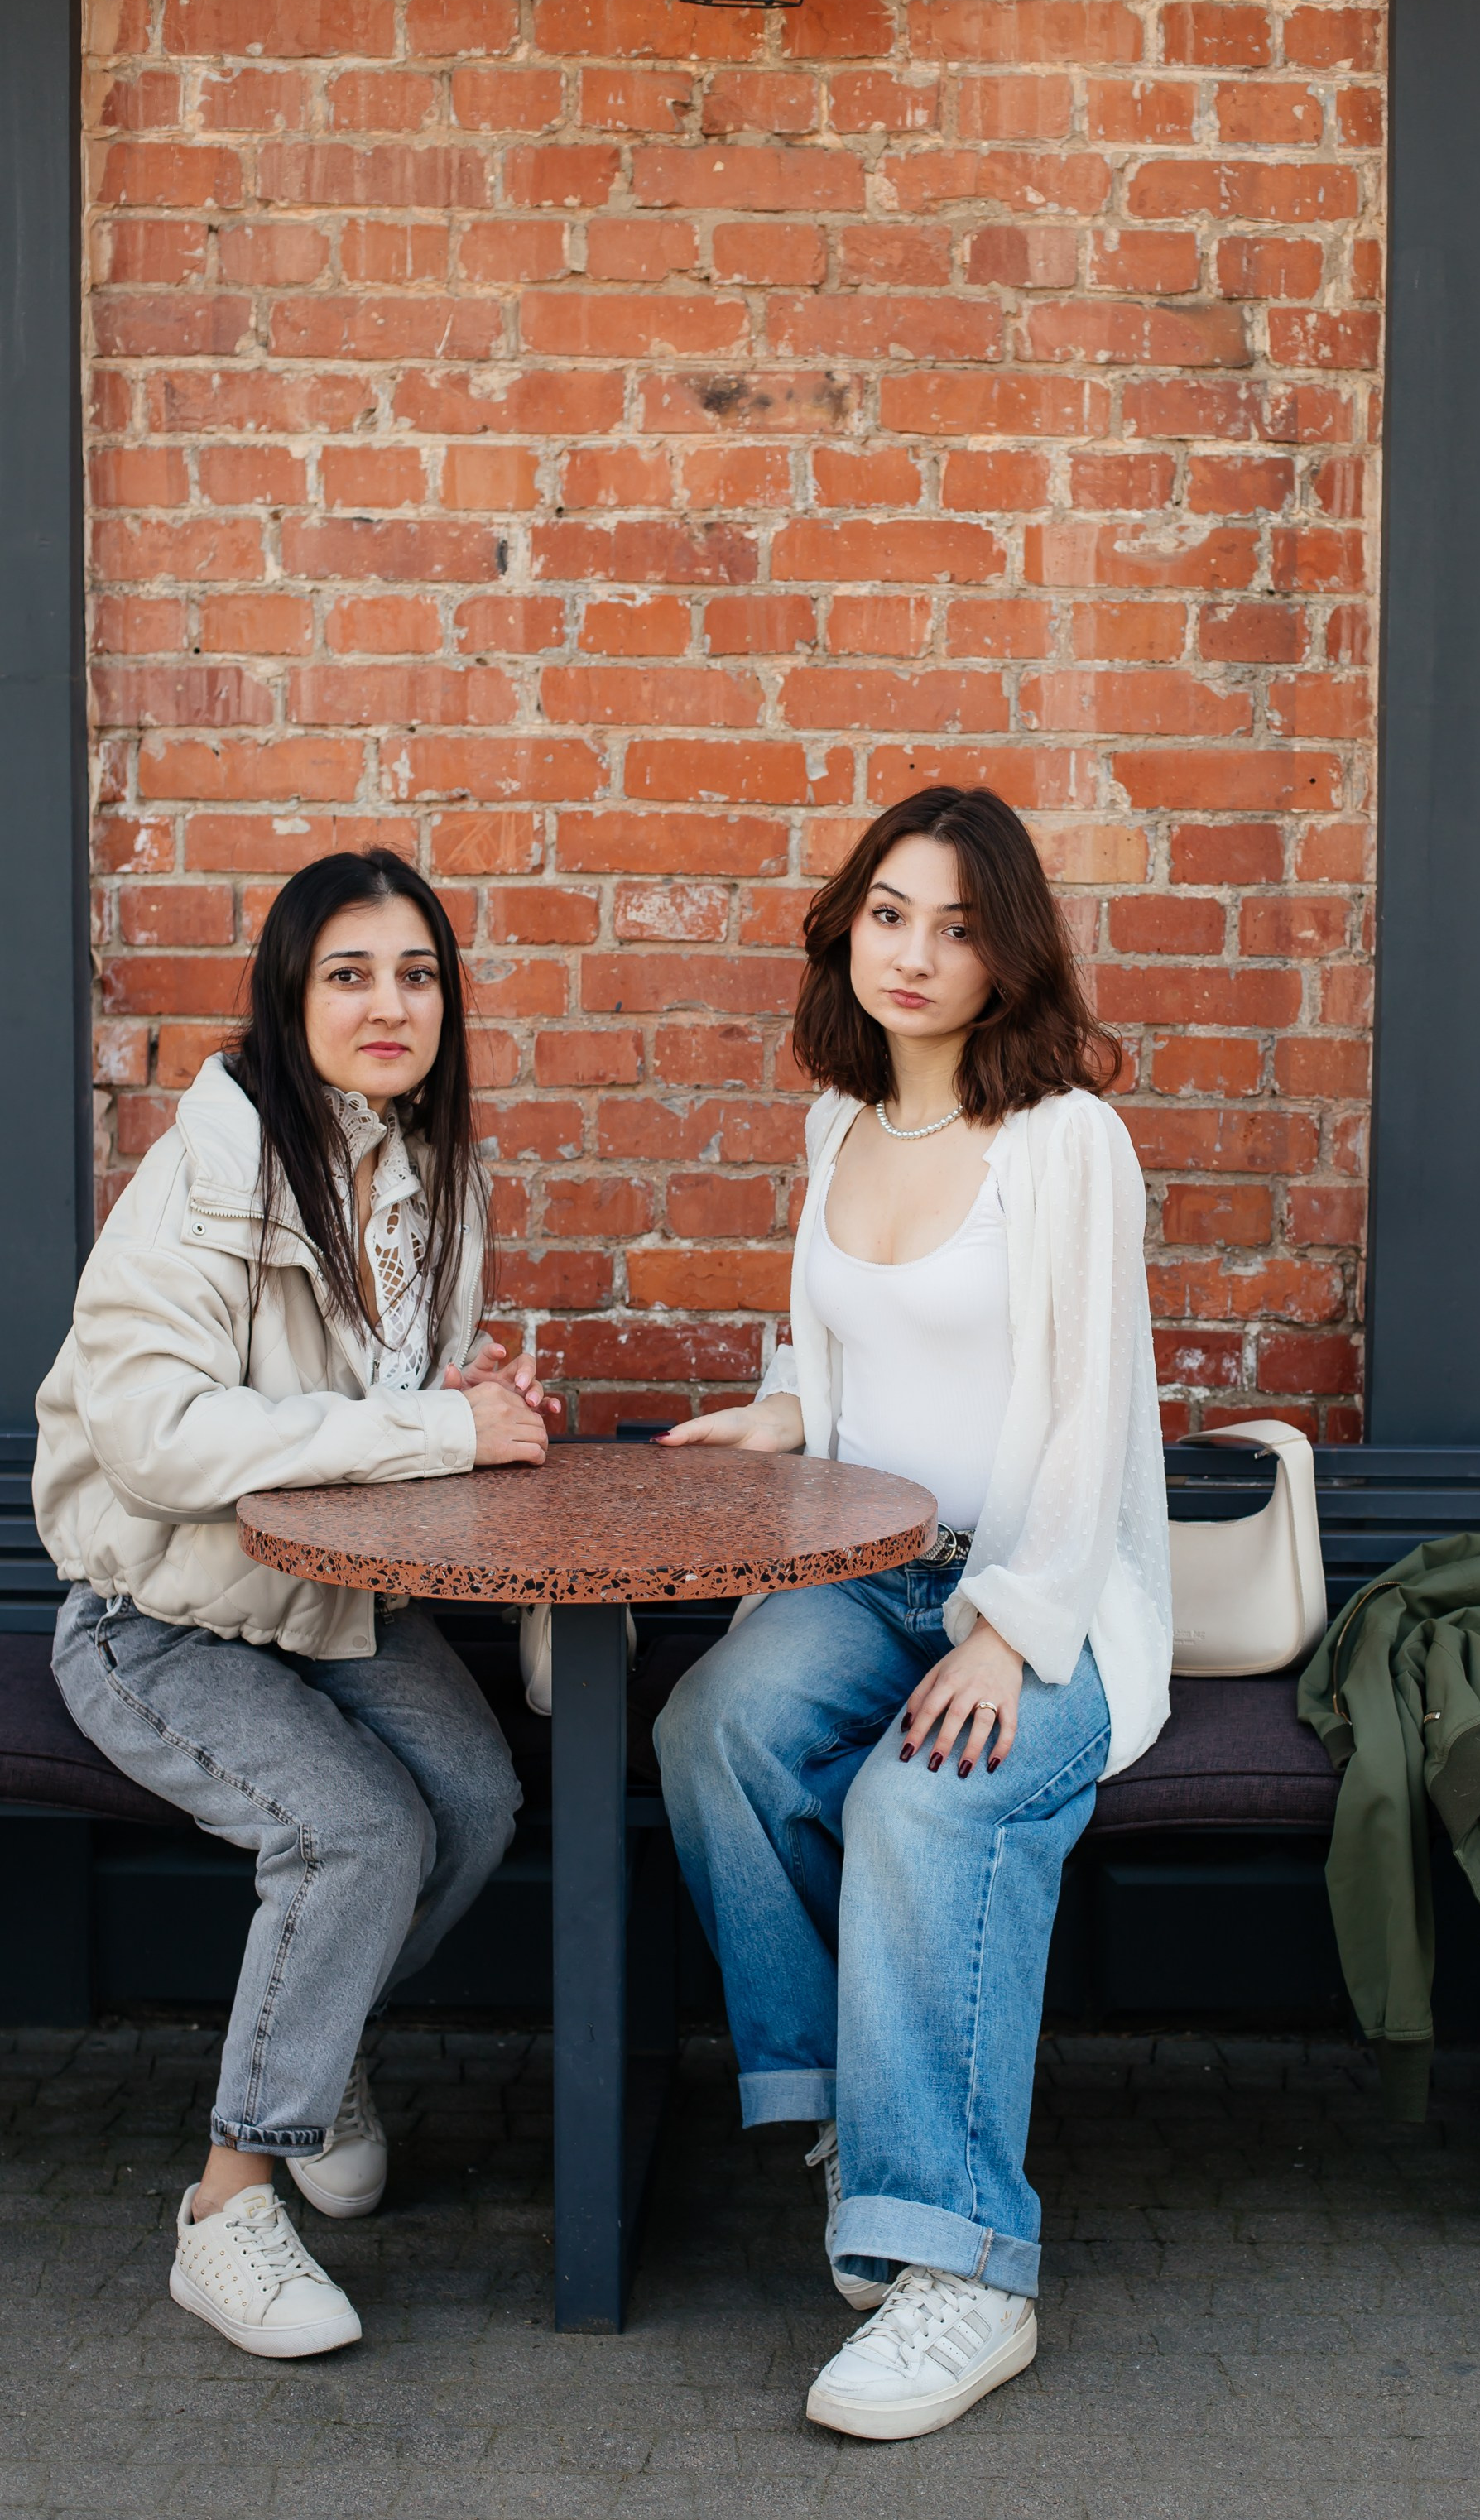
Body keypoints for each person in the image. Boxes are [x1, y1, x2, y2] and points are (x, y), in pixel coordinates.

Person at [654, 785, 1171, 2441]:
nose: (917, 953)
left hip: (1048, 1593)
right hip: (867, 1572)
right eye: (889, 912)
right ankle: (850, 2115)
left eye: (957, 924)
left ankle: (965, 2272)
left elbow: (1089, 1409)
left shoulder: (1064, 1139)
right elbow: (851, 1352)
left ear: (1007, 951)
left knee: (914, 1803)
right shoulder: (838, 1126)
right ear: (846, 928)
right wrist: (786, 1414)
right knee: (710, 1726)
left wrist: (1014, 1632)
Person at [35, 847, 559, 2361]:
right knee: (361, 1828)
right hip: (161, 1610)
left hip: (331, 1606)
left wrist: (457, 1400)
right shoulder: (214, 1165)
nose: (389, 1006)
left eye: (417, 976)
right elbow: (158, 1438)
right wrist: (437, 1434)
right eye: (349, 975)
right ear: (289, 993)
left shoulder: (431, 1167)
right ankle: (228, 2203)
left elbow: (375, 1411)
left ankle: (307, 2052)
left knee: (473, 1799)